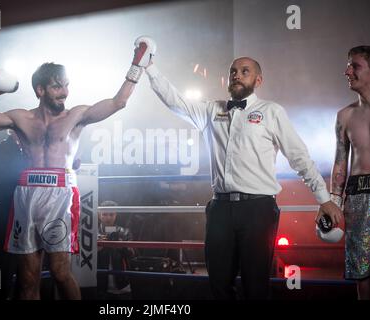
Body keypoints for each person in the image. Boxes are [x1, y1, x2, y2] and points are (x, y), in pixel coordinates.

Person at [140, 36, 342, 299]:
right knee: (219, 284)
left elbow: (299, 157)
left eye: (245, 71)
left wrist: (324, 199)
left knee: (256, 286)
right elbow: (175, 101)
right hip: (220, 208)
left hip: (258, 208)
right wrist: (149, 67)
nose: (237, 75)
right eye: (233, 71)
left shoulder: (271, 112)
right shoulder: (211, 110)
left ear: (258, 81)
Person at [0, 39, 154, 300]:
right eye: (57, 86)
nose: (64, 92)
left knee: (60, 271)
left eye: (66, 85)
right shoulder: (21, 117)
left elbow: (118, 102)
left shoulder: (75, 116)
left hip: (60, 195)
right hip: (26, 195)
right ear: (40, 89)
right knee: (28, 278)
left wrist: (137, 66)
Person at [323, 45, 370, 300]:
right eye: (348, 65)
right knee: (362, 272)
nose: (347, 71)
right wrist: (334, 203)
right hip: (358, 195)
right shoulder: (345, 115)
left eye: (355, 66)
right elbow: (340, 163)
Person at [0, 129, 27, 299]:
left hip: (27, 212)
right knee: (2, 259)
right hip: (6, 210)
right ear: (11, 130)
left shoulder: (30, 149)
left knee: (26, 263)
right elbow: (2, 177)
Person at [97, 200, 136, 300]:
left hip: (122, 284)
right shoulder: (93, 234)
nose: (108, 218)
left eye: (111, 214)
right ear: (99, 215)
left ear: (116, 215)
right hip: (100, 285)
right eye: (104, 214)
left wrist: (122, 246)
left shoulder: (124, 232)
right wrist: (96, 249)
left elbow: (132, 255)